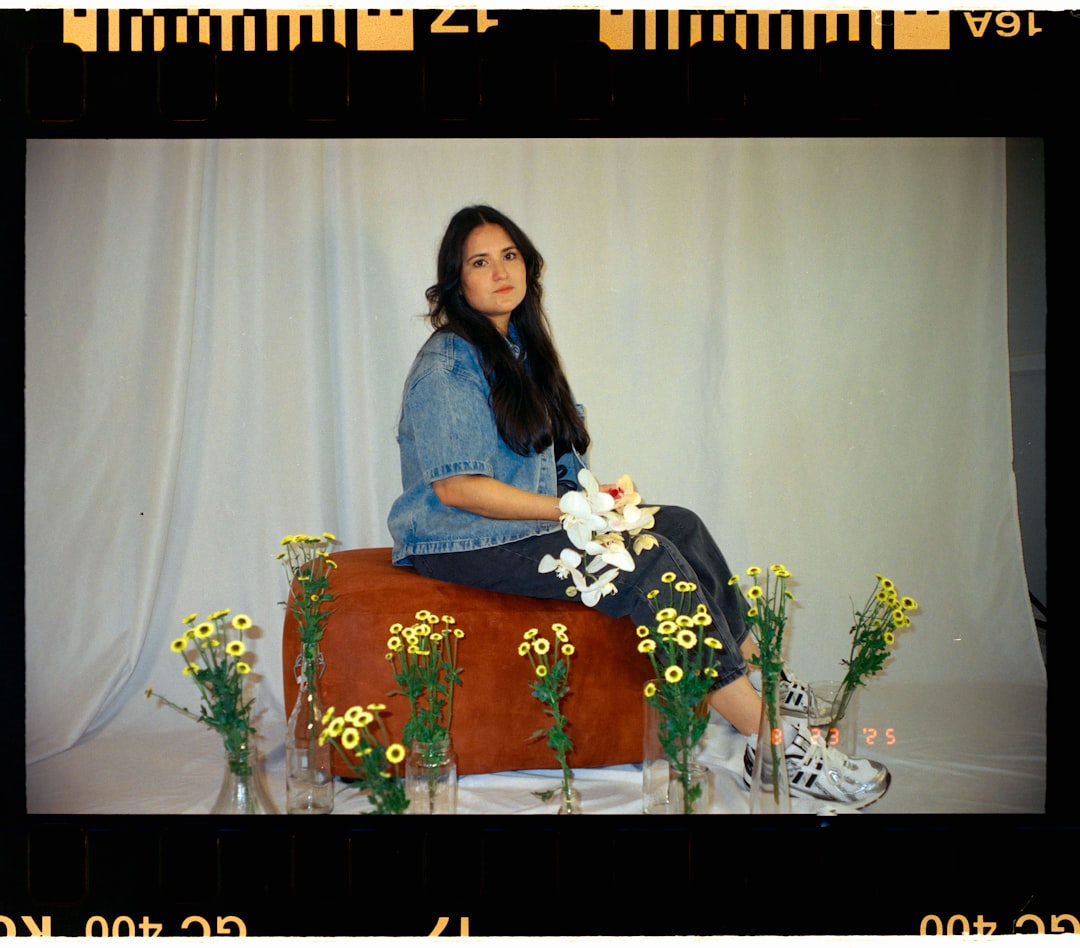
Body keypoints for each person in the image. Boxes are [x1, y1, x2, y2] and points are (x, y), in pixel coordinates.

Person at [387, 204, 889, 809]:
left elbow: (556, 464)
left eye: (510, 255)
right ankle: (771, 742)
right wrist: (575, 514)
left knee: (676, 526)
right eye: (479, 261)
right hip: (458, 539)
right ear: (456, 281)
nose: (499, 272)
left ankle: (757, 677)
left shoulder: (518, 349)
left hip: (512, 527)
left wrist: (605, 506)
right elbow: (458, 489)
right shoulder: (450, 361)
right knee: (646, 560)